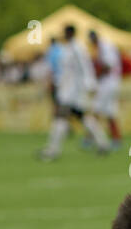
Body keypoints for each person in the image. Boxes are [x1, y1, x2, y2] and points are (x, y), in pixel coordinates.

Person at [38, 24, 110, 160]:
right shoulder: (67, 49)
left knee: (60, 117)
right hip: (68, 90)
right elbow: (64, 71)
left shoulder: (77, 48)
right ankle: (103, 143)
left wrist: (90, 84)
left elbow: (85, 66)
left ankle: (52, 150)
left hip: (74, 91)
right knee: (83, 118)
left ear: (70, 33)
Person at [88, 30, 122, 143]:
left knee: (96, 110)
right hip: (110, 82)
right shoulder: (103, 47)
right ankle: (116, 139)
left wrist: (96, 75)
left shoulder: (105, 47)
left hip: (108, 82)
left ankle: (91, 138)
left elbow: (108, 66)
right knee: (110, 111)